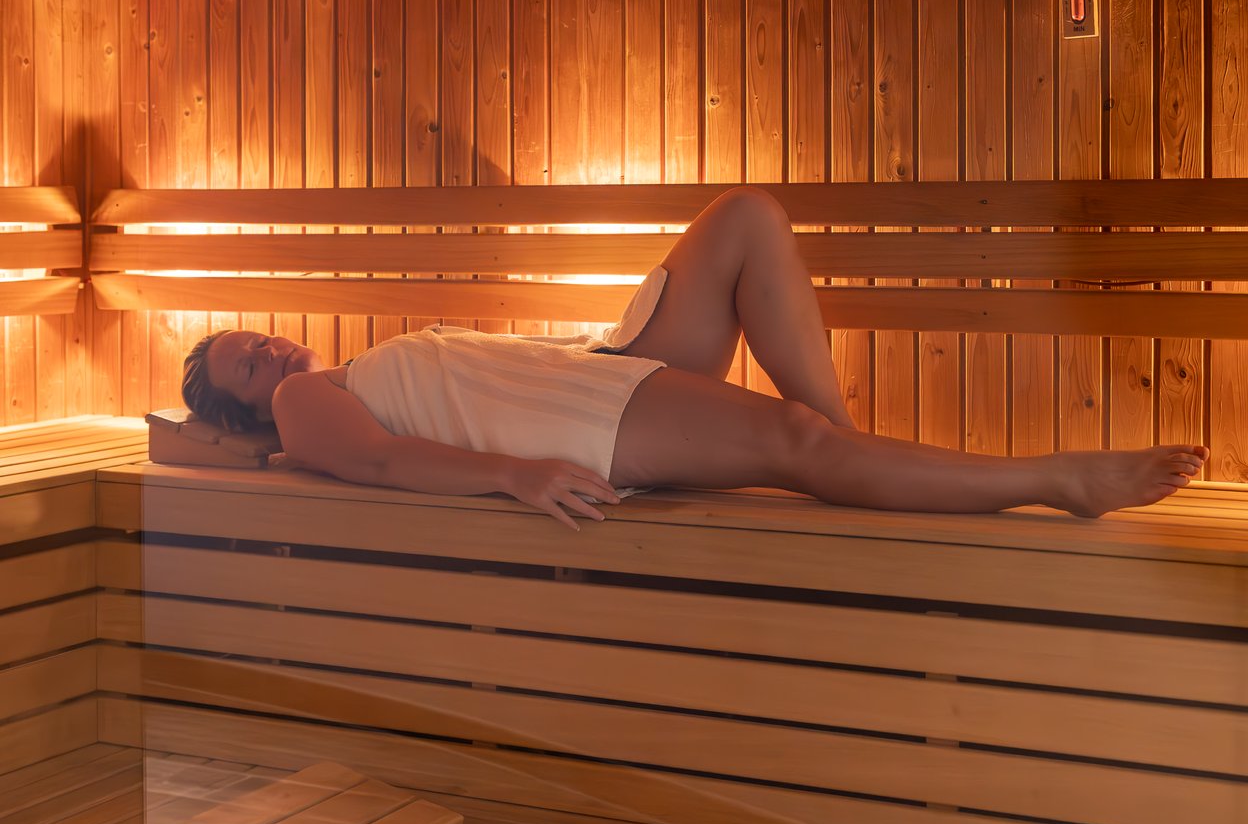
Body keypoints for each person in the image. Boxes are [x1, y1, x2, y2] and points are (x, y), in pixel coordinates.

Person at [181, 186, 1208, 531]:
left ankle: (853, 459)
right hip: (577, 425)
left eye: (255, 339)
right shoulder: (312, 409)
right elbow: (377, 464)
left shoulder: (340, 371)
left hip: (593, 367)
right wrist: (516, 472)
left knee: (746, 220)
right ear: (245, 416)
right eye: (245, 368)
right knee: (788, 438)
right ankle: (1058, 480)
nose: (266, 350)